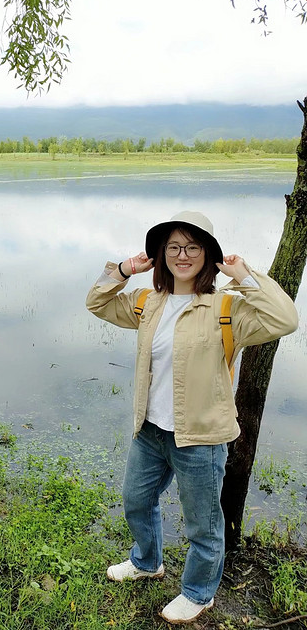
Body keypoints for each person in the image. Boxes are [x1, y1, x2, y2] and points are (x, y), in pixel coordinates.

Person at [86, 211, 298, 624]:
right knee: (136, 500)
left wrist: (244, 275)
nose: (182, 255)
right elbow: (97, 303)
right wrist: (125, 270)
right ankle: (147, 562)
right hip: (150, 430)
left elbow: (285, 320)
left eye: (193, 246)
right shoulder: (148, 302)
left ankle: (199, 593)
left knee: (203, 524)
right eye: (173, 247)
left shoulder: (227, 308)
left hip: (200, 436)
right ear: (162, 254)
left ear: (208, 254)